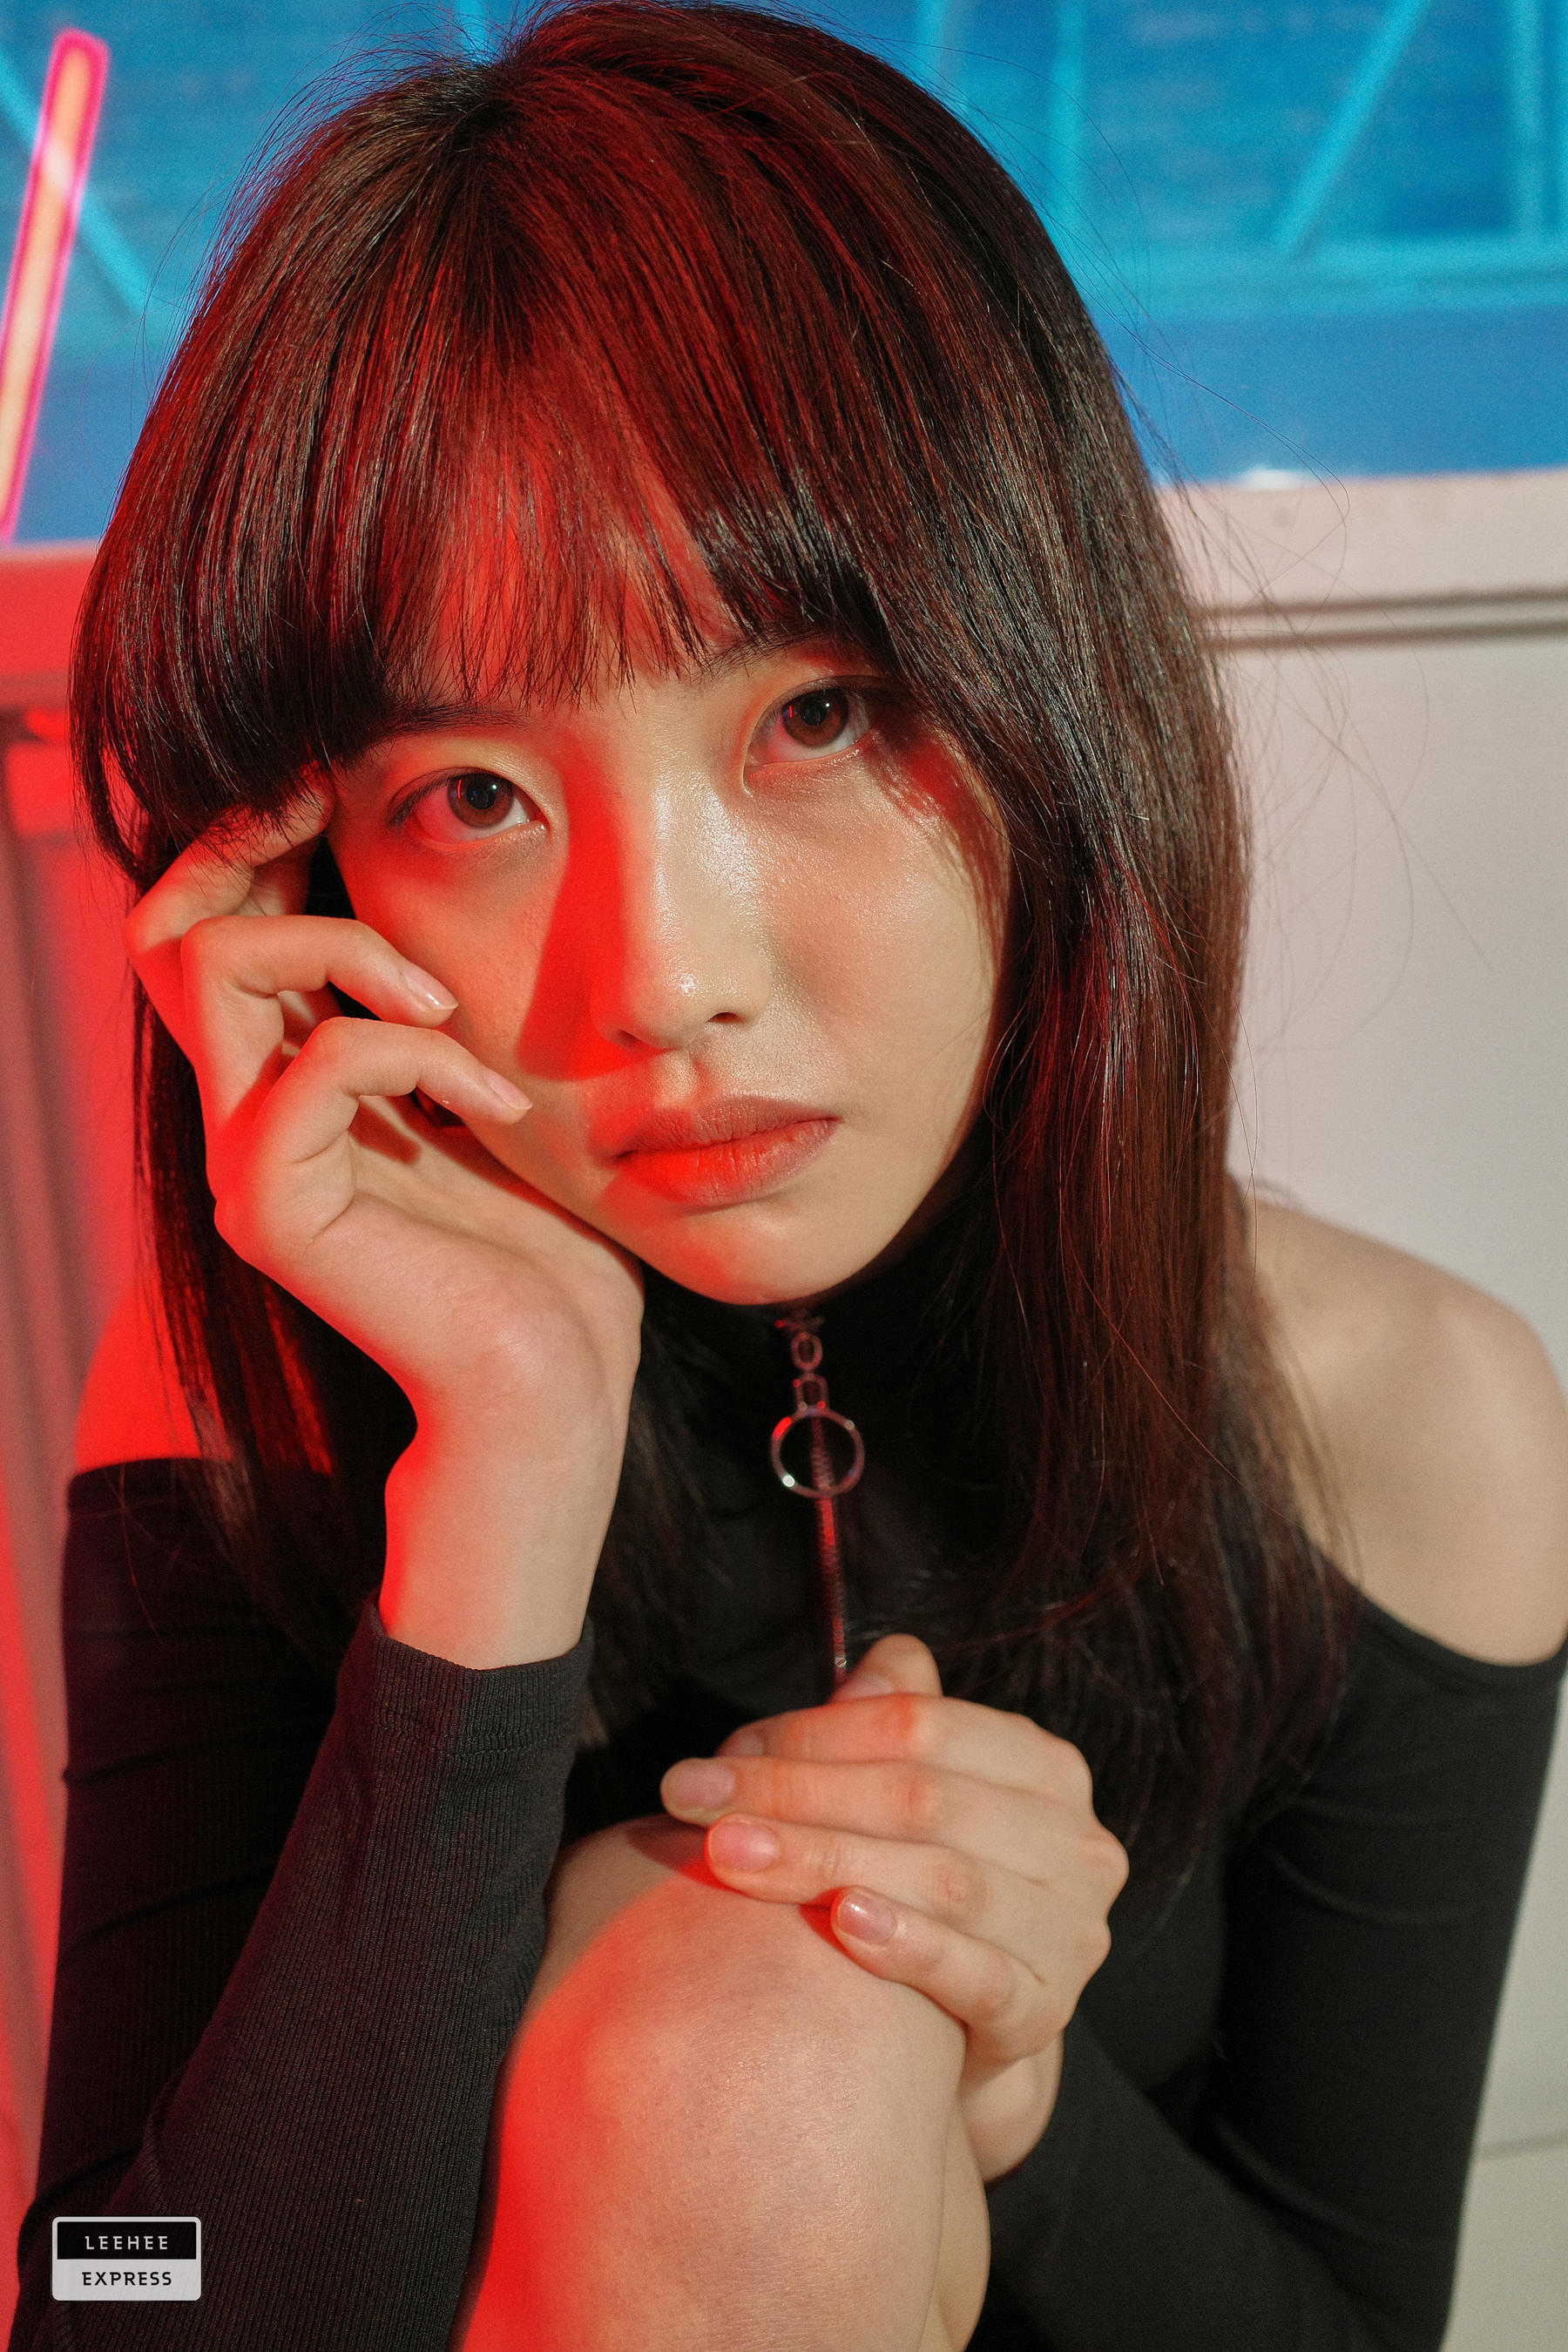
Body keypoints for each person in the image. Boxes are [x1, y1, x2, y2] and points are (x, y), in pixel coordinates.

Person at [11, 4, 1567, 2347]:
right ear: (311, 875)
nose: (668, 978)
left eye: (811, 716)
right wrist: (498, 1504)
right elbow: (114, 2296)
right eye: (472, 797)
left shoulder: (1403, 1421)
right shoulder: (274, 1385)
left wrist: (1014, 2092)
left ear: (1052, 688)